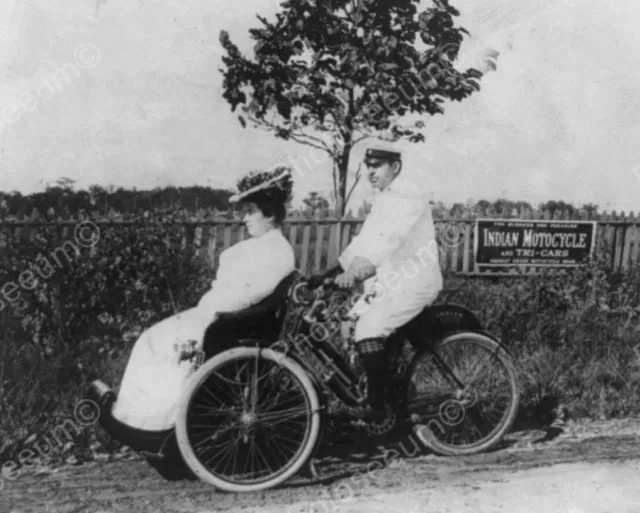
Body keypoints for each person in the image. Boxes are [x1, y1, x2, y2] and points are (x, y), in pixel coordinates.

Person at [111, 167, 296, 431]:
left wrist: (214, 310)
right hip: (219, 314)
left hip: (229, 322)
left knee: (155, 342)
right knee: (151, 339)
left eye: (251, 211)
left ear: (271, 214)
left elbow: (253, 295)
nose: (245, 218)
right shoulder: (262, 245)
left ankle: (159, 423)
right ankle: (144, 421)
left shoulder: (277, 251)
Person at [314, 141, 443, 421]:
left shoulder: (408, 193)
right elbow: (364, 241)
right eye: (367, 166)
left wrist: (356, 273)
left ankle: (377, 405)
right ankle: (391, 400)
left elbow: (388, 241)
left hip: (413, 282)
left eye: (377, 166)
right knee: (350, 326)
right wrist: (325, 274)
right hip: (390, 282)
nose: (370, 172)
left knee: (367, 330)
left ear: (395, 167)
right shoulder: (384, 196)